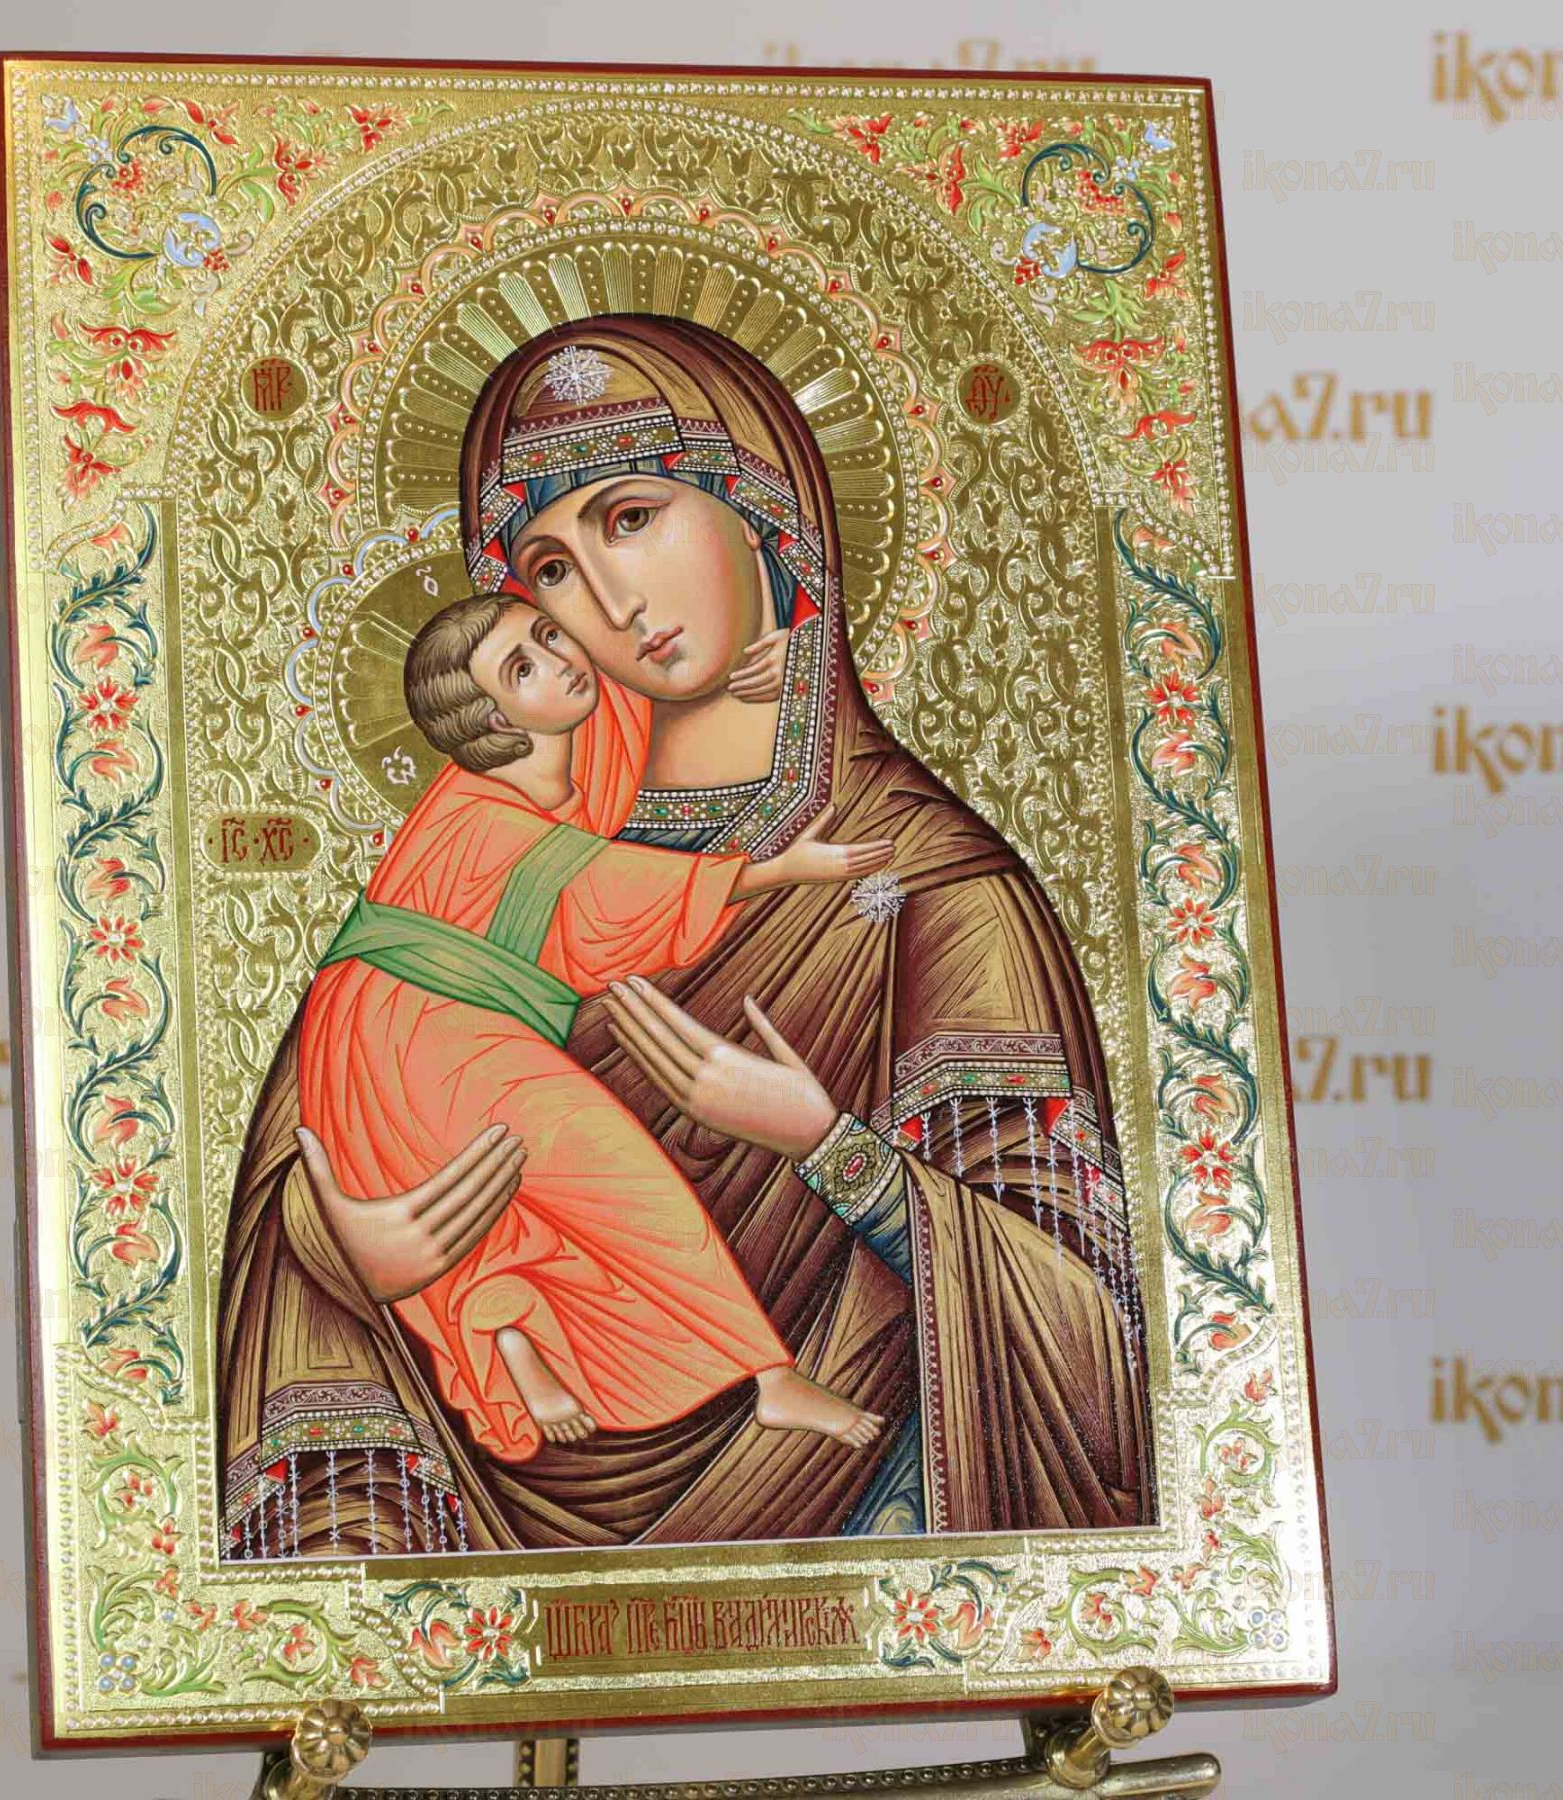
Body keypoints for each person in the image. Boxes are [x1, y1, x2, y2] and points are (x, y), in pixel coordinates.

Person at [219, 315, 1153, 1560]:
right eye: (550, 570)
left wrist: (823, 1144)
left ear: (761, 508)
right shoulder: (479, 850)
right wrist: (339, 1245)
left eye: (631, 518)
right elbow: (334, 1109)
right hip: (491, 1513)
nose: (612, 602)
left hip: (856, 1523)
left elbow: (1086, 1326)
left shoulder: (928, 879)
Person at [299, 588, 892, 1465]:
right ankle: (768, 1377)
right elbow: (607, 894)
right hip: (419, 1029)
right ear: (491, 718)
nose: (562, 659)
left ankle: (507, 1321)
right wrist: (780, 870)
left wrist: (799, 660)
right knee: (619, 1181)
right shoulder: (483, 813)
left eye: (547, 635)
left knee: (519, 1190)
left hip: (406, 1023)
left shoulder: (567, 755)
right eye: (524, 667)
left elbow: (632, 675)